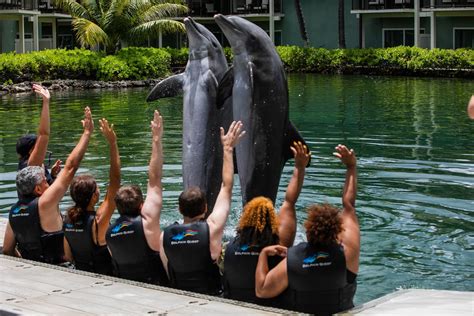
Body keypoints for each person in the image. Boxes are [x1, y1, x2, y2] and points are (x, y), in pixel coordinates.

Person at [255, 144, 359, 315]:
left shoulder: (293, 259)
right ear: (337, 232)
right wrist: (351, 166)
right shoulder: (348, 254)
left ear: (308, 231)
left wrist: (263, 254)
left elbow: (262, 290)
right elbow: (349, 206)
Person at [160, 121, 245, 295]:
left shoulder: (165, 235)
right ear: (206, 208)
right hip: (211, 296)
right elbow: (226, 186)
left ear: (180, 209)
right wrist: (228, 148)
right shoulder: (211, 229)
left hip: (177, 295)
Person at [3, 107, 94, 264]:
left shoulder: (14, 211)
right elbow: (71, 167)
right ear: (38, 189)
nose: (48, 182)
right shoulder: (45, 203)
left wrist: (28, 263)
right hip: (60, 266)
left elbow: (7, 250)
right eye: (45, 181)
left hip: (34, 266)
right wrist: (87, 133)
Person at [223, 141, 310, 305]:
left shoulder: (230, 247)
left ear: (245, 218)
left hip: (234, 304)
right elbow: (289, 202)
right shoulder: (280, 244)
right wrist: (299, 167)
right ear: (273, 219)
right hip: (270, 305)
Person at [106, 111, 168, 285]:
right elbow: (154, 180)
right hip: (159, 287)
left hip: (129, 290)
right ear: (142, 205)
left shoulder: (109, 233)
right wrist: (156, 139)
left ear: (117, 207)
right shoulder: (148, 222)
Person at [63, 118, 120, 275]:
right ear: (94, 197)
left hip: (81, 275)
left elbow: (68, 256)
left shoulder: (67, 219)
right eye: (98, 189)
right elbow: (115, 181)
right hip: (105, 279)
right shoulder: (98, 221)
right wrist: (113, 143)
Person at [16, 84, 61, 185]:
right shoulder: (30, 166)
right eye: (37, 145)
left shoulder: (38, 167)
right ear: (31, 151)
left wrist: (52, 175)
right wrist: (46, 102)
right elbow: (44, 134)